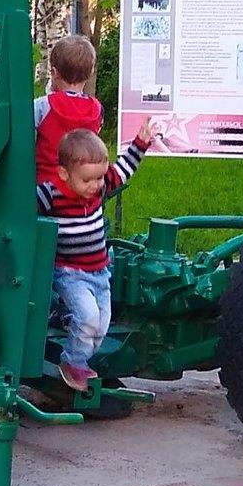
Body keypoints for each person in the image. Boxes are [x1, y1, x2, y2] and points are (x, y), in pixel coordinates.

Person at [36, 122, 154, 390]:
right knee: (88, 317)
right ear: (64, 174)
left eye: (99, 178)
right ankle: (73, 362)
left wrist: (141, 143)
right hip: (70, 273)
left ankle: (78, 353)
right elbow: (23, 207)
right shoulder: (51, 193)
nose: (95, 186)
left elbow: (123, 171)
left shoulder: (99, 188)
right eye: (87, 180)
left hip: (100, 272)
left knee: (101, 326)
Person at [34, 35, 103, 183]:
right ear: (90, 73)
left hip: (47, 190)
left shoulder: (42, 106)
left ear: (54, 72)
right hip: (83, 189)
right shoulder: (97, 109)